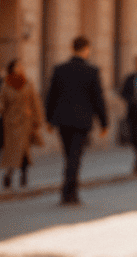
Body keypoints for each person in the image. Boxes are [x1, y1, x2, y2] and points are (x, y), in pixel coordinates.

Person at [46, 36, 109, 205]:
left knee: (69, 155)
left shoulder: (60, 69)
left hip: (63, 121)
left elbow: (51, 96)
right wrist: (104, 122)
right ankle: (69, 192)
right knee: (75, 157)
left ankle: (70, 191)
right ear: (86, 49)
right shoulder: (92, 71)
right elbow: (98, 99)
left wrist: (49, 120)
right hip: (81, 122)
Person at [0, 59, 44, 188]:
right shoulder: (6, 84)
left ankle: (23, 177)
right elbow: (0, 101)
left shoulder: (27, 83)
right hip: (11, 123)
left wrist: (38, 119)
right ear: (12, 69)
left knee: (24, 151)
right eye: (18, 66)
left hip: (26, 122)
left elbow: (35, 101)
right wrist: (0, 107)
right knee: (13, 152)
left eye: (21, 66)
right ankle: (9, 175)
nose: (21, 68)